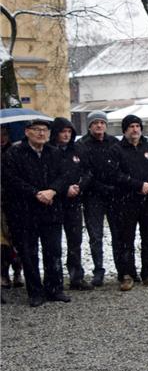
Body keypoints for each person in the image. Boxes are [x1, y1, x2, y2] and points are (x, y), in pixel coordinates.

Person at [2, 119, 71, 306]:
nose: (41, 133)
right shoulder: (14, 153)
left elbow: (65, 175)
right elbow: (11, 180)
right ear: (27, 132)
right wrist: (35, 193)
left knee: (53, 251)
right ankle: (35, 292)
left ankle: (55, 288)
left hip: (51, 209)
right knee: (29, 253)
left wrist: (52, 190)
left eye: (44, 130)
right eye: (37, 130)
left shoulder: (54, 153)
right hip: (25, 211)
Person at [111, 114, 148, 290]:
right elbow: (115, 174)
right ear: (125, 130)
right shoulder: (117, 150)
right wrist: (137, 185)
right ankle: (127, 274)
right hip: (126, 200)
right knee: (126, 238)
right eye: (131, 127)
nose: (134, 130)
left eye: (137, 126)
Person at [49, 117, 93, 291]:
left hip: (74, 201)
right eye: (63, 132)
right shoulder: (49, 151)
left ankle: (76, 276)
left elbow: (88, 172)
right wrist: (62, 189)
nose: (66, 135)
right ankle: (55, 278)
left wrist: (79, 186)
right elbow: (48, 175)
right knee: (54, 243)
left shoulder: (78, 150)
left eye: (69, 132)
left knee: (75, 240)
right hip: (55, 201)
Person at [76, 111, 117, 287]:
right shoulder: (82, 145)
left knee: (119, 234)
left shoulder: (114, 143)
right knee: (95, 236)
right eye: (95, 123)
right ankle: (98, 270)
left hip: (114, 195)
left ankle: (123, 269)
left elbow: (119, 166)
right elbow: (85, 171)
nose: (99, 125)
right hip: (92, 196)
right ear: (90, 125)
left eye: (102, 122)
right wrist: (99, 186)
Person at [1, 125, 23, 292]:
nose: (2, 137)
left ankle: (17, 270)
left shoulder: (14, 152)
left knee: (17, 238)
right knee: (3, 242)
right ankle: (4, 273)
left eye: (4, 134)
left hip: (14, 201)